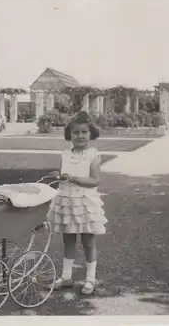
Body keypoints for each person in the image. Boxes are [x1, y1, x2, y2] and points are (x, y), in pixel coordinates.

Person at [46, 111, 107, 295]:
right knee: (68, 240)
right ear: (69, 135)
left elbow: (95, 180)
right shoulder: (64, 155)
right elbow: (63, 177)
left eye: (84, 132)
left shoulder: (93, 155)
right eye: (76, 133)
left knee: (88, 241)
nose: (80, 136)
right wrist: (58, 177)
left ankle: (90, 278)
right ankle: (66, 277)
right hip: (68, 201)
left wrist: (72, 178)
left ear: (91, 134)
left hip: (85, 203)